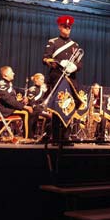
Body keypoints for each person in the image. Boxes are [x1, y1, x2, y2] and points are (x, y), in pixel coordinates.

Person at [43, 15, 83, 145]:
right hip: (57, 79)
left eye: (69, 27)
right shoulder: (53, 42)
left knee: (69, 108)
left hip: (70, 80)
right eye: (65, 26)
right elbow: (46, 59)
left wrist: (74, 66)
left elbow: (80, 63)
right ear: (59, 27)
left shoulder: (75, 45)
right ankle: (55, 138)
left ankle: (65, 137)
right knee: (56, 108)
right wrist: (60, 63)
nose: (67, 29)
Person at [0, 66, 37, 140]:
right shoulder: (1, 85)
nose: (14, 73)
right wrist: (24, 107)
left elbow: (11, 99)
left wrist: (22, 100)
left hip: (9, 107)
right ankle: (28, 137)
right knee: (27, 111)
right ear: (5, 75)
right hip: (4, 110)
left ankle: (30, 135)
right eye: (11, 72)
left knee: (34, 110)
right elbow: (8, 100)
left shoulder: (8, 84)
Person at [27, 73, 51, 139]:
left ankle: (46, 135)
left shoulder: (43, 91)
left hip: (41, 109)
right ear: (36, 80)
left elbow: (44, 102)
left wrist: (46, 110)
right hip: (33, 109)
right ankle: (31, 135)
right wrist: (43, 112)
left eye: (43, 79)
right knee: (34, 114)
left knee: (51, 117)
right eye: (41, 79)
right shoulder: (32, 89)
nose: (43, 81)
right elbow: (32, 103)